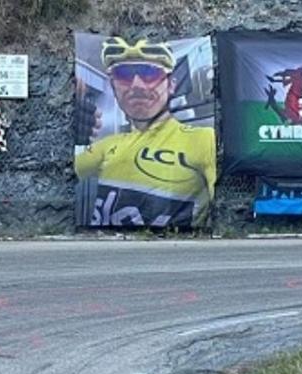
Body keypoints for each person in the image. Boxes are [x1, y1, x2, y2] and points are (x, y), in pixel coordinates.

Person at [74, 36, 217, 229]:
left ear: (171, 85)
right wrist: (67, 129)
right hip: (108, 253)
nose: (137, 85)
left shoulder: (204, 139)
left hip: (172, 253)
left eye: (149, 73)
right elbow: (54, 178)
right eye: (123, 74)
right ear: (114, 86)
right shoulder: (107, 145)